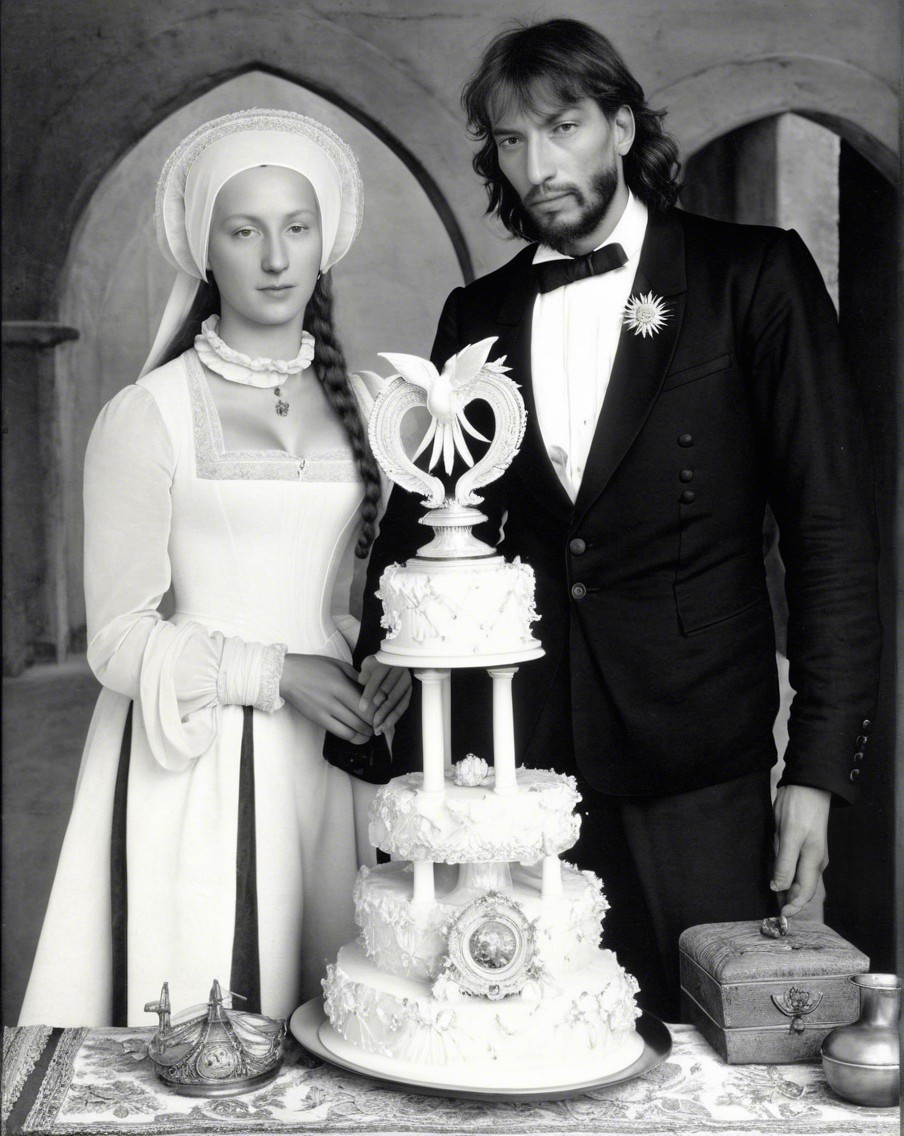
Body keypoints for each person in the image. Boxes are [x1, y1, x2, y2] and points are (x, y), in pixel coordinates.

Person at [355, 20, 881, 1020]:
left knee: (713, 1073)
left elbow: (830, 539)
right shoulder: (477, 313)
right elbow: (419, 531)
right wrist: (374, 711)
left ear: (622, 125)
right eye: (512, 141)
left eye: (562, 127)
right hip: (515, 776)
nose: (537, 165)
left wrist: (813, 769)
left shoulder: (751, 278)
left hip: (700, 766)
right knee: (527, 1065)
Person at [19, 109, 410, 1027]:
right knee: (210, 1040)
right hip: (193, 759)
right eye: (244, 231)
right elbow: (117, 640)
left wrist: (383, 660)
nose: (276, 256)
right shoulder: (146, 415)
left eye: (297, 227)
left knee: (344, 1033)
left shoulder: (372, 406)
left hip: (333, 757)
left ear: (325, 244)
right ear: (206, 250)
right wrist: (273, 672)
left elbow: (383, 582)